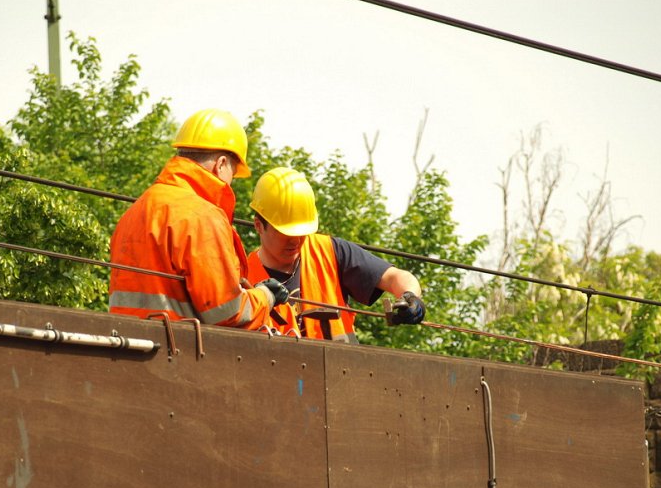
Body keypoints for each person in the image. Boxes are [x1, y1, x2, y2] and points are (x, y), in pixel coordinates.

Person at [109, 109, 288, 328]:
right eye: (233, 172)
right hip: (178, 352)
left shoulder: (136, 210)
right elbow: (227, 313)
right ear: (221, 164)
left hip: (127, 345)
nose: (231, 182)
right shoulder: (202, 217)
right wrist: (265, 296)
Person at [246, 167, 425, 343]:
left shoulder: (330, 252)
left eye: (301, 231)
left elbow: (396, 277)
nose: (295, 241)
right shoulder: (243, 277)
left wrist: (410, 296)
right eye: (285, 232)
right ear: (258, 226)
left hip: (341, 368)